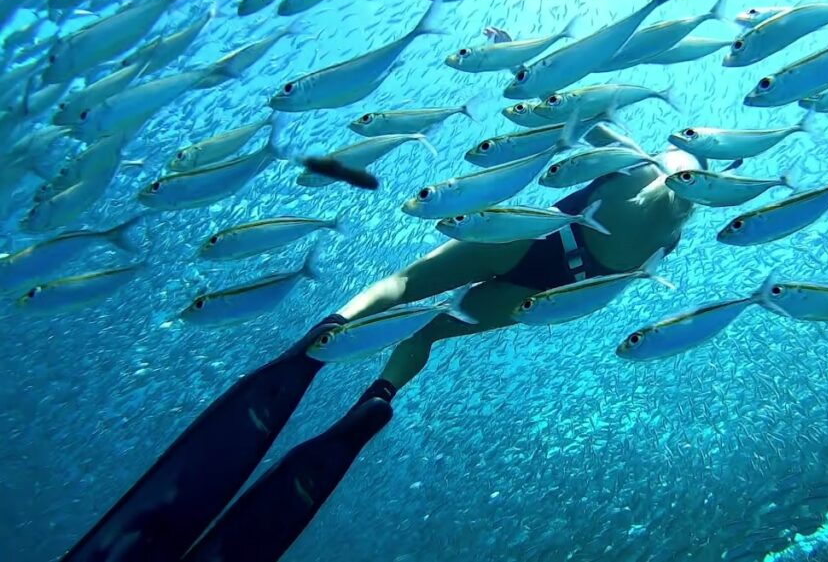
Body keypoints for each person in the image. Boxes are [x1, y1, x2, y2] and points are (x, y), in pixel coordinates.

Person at [60, 140, 702, 562]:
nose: (688, 172)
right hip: (546, 266)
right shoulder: (649, 187)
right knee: (419, 312)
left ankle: (329, 358)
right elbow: (568, 130)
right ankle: (372, 396)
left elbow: (567, 127)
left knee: (410, 293)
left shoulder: (657, 199)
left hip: (539, 260)